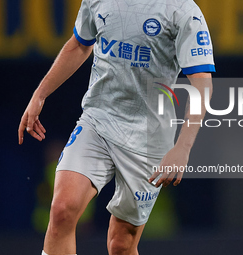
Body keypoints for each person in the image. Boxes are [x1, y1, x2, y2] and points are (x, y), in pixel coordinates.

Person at [18, 0, 215, 254]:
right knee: (61, 211)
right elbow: (80, 44)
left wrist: (183, 147)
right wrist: (40, 94)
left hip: (148, 137)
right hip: (98, 121)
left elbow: (202, 84)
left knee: (121, 244)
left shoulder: (183, 11)